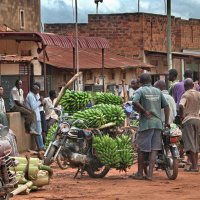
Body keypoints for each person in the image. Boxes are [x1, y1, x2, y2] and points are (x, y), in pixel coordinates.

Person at [132, 73, 169, 180]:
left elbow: (134, 102)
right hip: (158, 124)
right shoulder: (157, 91)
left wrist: (144, 111)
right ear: (150, 81)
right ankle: (150, 175)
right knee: (154, 149)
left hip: (146, 124)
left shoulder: (140, 91)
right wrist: (166, 122)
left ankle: (139, 174)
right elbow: (166, 106)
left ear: (141, 82)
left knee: (141, 149)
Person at [179, 78, 200, 172]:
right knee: (196, 143)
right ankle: (194, 165)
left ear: (185, 86)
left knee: (190, 143)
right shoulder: (198, 94)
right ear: (193, 85)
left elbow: (181, 105)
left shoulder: (185, 94)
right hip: (198, 119)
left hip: (188, 120)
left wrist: (181, 116)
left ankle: (194, 167)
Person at [26, 83, 45, 151]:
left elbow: (36, 105)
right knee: (38, 133)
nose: (38, 91)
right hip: (34, 116)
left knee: (38, 132)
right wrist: (39, 101)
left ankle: (40, 147)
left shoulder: (33, 95)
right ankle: (41, 147)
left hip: (37, 116)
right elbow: (33, 107)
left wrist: (40, 103)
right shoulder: (30, 96)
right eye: (37, 90)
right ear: (34, 89)